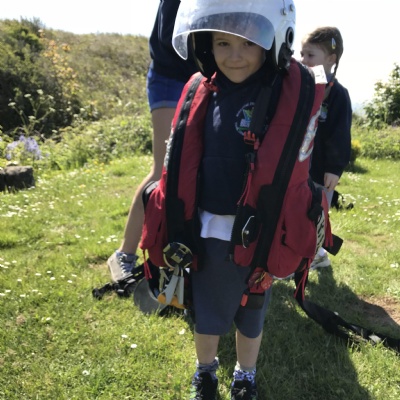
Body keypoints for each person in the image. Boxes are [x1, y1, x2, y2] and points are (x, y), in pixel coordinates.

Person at [140, 0, 328, 398]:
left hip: (261, 233)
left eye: (248, 43)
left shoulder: (281, 93)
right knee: (207, 313)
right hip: (209, 230)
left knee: (252, 316)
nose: (235, 55)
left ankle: (245, 374)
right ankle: (205, 371)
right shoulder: (204, 92)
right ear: (206, 46)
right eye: (223, 43)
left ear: (272, 44)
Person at [107, 0, 197, 282]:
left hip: (209, 78)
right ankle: (124, 254)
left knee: (200, 171)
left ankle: (189, 257)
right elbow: (168, 37)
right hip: (171, 77)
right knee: (162, 170)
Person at [300, 26, 352, 269]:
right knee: (296, 210)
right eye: (302, 54)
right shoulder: (300, 88)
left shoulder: (337, 95)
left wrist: (334, 168)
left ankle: (316, 254)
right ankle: (303, 252)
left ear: (331, 59)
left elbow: (340, 135)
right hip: (298, 167)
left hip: (322, 171)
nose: (303, 60)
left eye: (310, 55)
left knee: (316, 213)